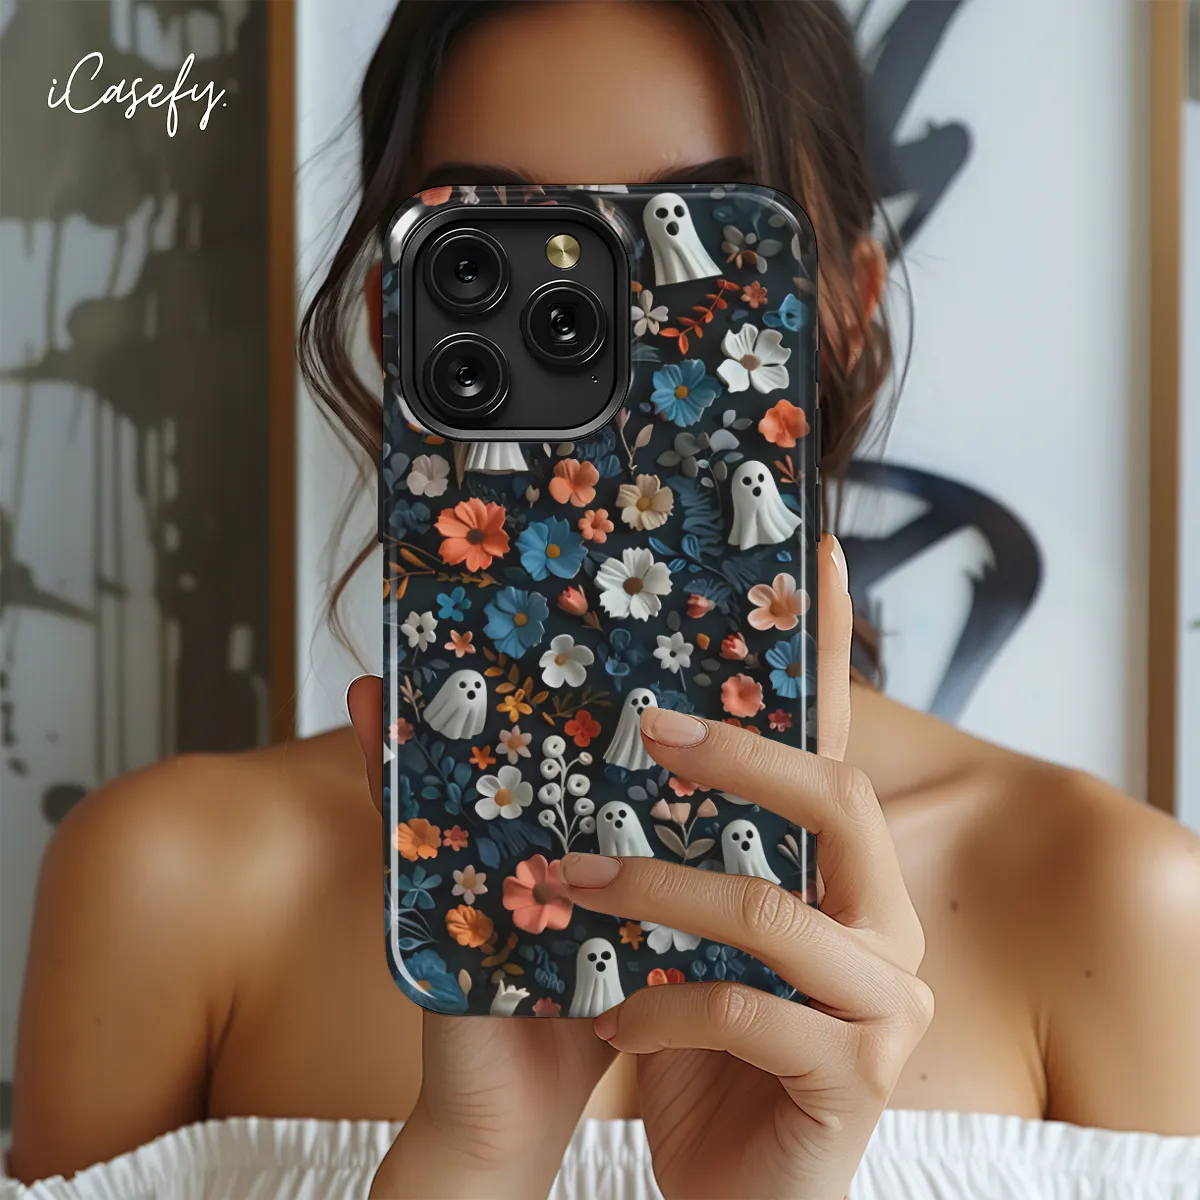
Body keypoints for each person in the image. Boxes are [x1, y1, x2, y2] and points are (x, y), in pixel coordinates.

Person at [7, 2, 1200, 1197]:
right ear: (393, 316)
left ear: (844, 308)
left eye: (697, 239)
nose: (607, 325)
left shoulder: (1116, 906)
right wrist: (476, 1160)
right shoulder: (168, 885)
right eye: (490, 249)